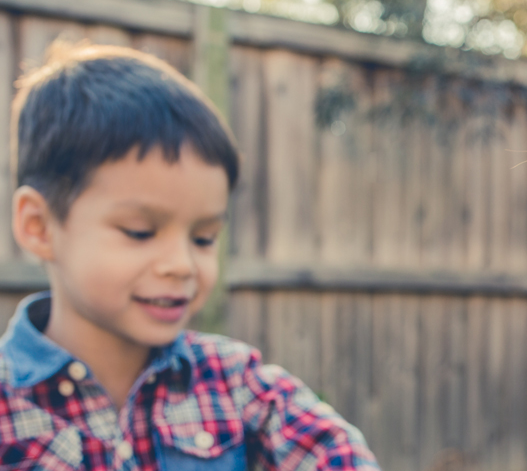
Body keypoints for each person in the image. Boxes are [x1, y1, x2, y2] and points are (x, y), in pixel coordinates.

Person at [0, 42, 378, 470]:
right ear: (39, 226)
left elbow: (338, 455)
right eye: (140, 232)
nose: (182, 264)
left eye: (204, 238)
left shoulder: (237, 383)